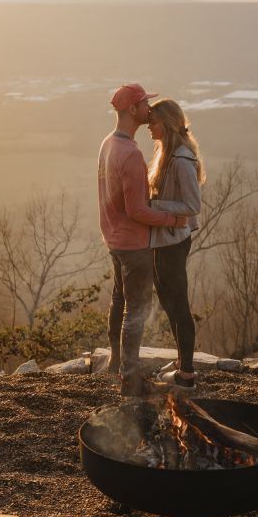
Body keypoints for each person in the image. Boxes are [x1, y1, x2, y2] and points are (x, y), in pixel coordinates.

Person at [98, 83, 187, 396]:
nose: (149, 111)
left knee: (119, 300)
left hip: (112, 238)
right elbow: (136, 210)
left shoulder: (107, 144)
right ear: (132, 110)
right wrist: (171, 219)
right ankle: (130, 377)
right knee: (136, 310)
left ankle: (116, 363)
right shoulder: (132, 154)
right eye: (144, 105)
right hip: (134, 244)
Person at [146, 99, 205, 389]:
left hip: (174, 241)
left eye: (153, 122)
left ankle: (187, 375)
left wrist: (154, 204)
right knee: (170, 303)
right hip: (166, 238)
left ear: (166, 124)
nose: (148, 127)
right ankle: (183, 363)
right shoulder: (166, 153)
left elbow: (193, 205)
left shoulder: (181, 160)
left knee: (178, 305)